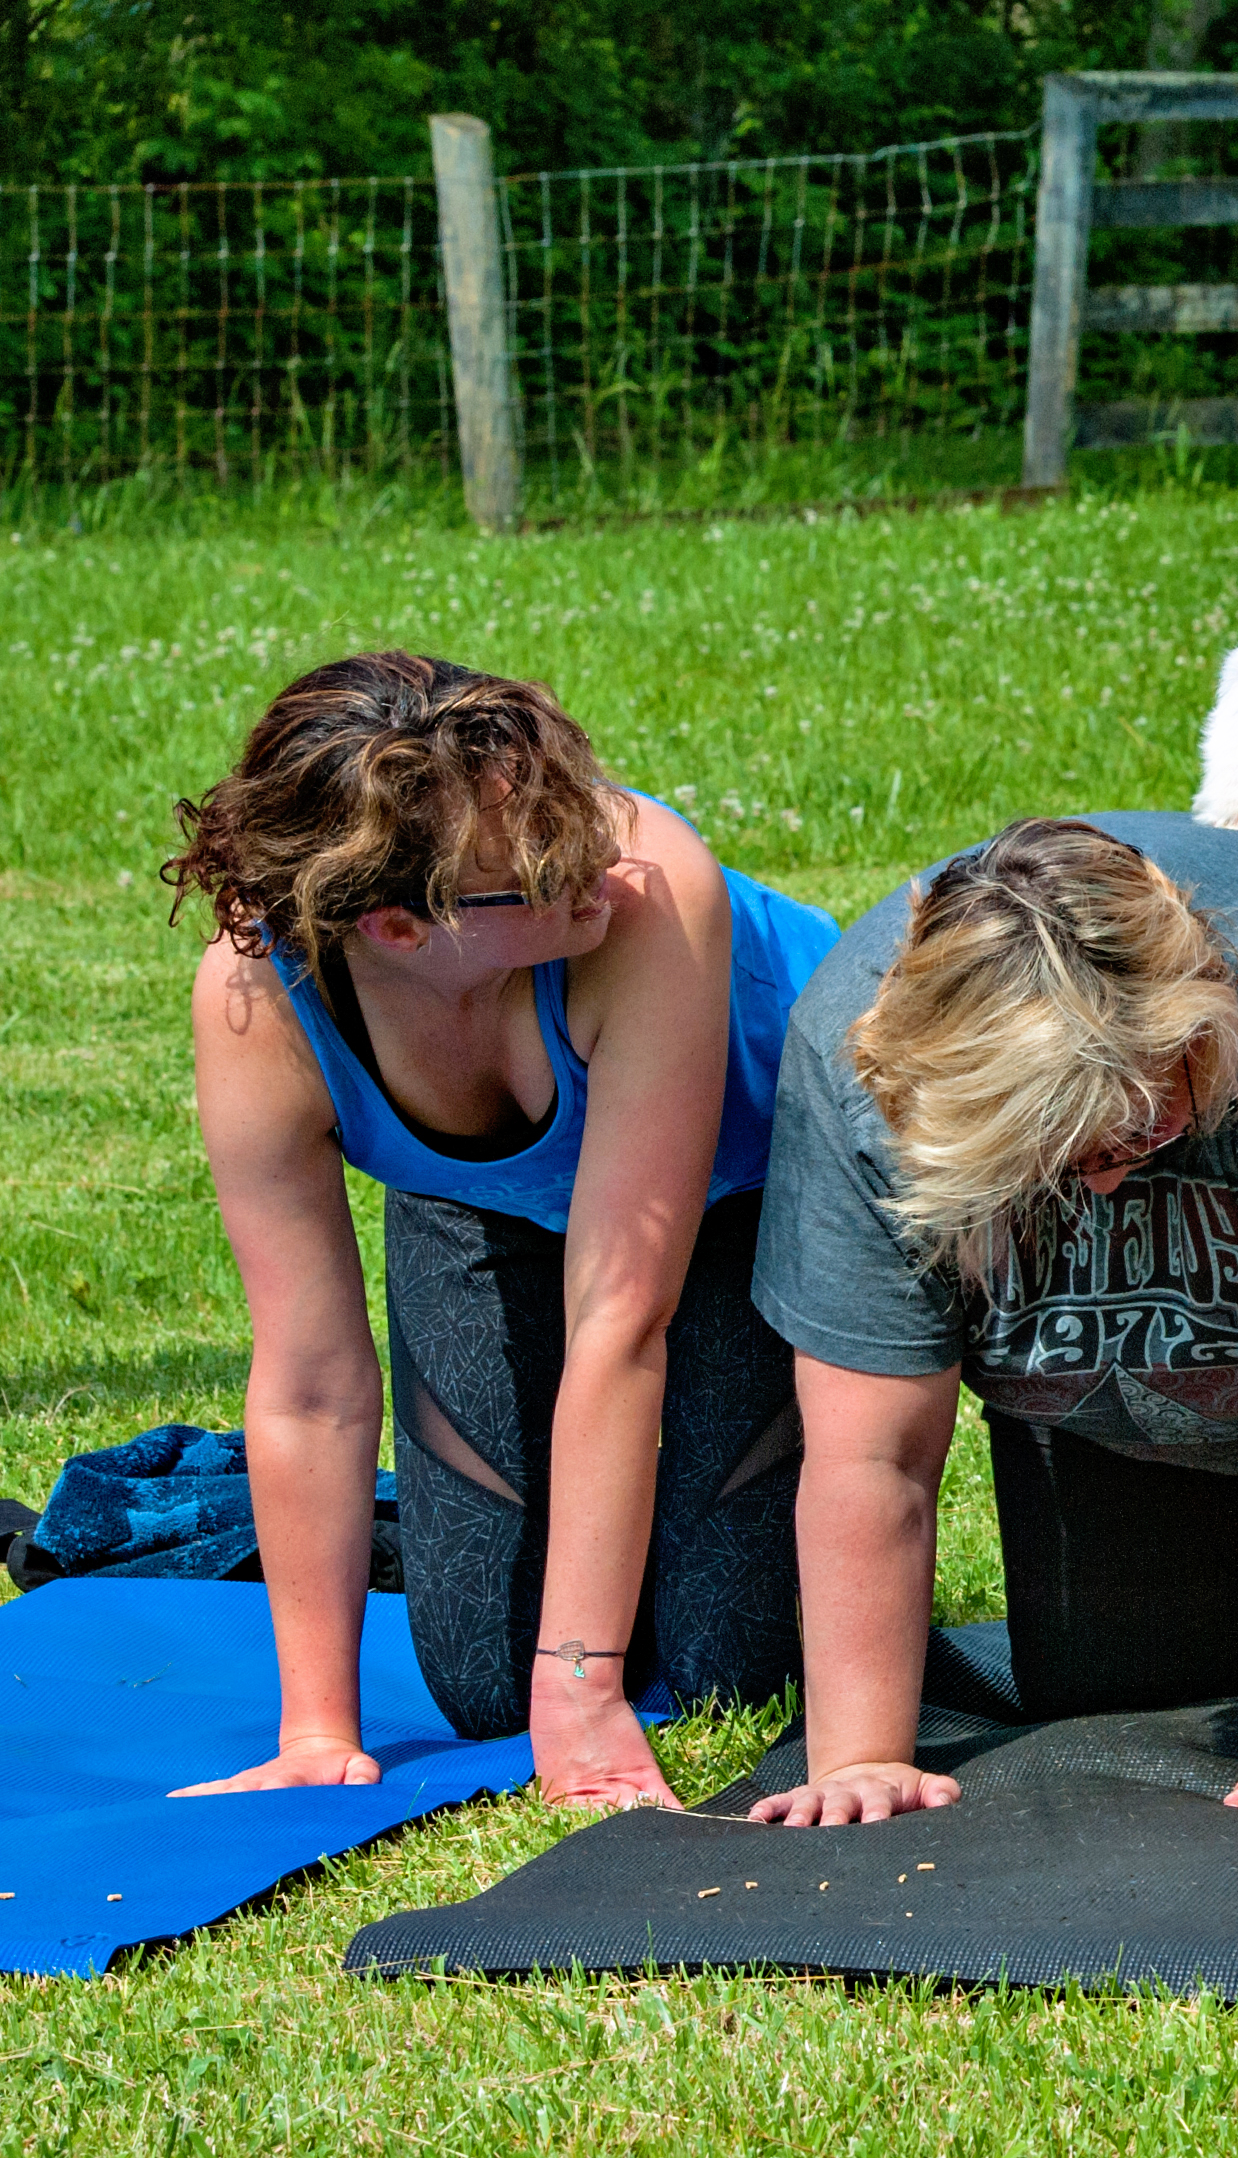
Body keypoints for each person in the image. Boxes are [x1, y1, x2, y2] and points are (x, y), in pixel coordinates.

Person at [166, 652, 840, 1807]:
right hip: (492, 1206)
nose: (598, 857)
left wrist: (581, 1687)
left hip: (749, 1186)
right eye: (541, 862)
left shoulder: (650, 895)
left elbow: (622, 1319)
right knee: (484, 1682)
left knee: (730, 1661)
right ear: (399, 926)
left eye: (573, 811)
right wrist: (317, 1724)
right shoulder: (258, 1005)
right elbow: (311, 1378)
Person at [741, 816, 1238, 1828]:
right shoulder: (859, 1052)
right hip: (1130, 1398)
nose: (1109, 1177)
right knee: (1118, 1689)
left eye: (1138, 1125)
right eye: (1057, 1160)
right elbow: (870, 1455)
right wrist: (859, 1758)